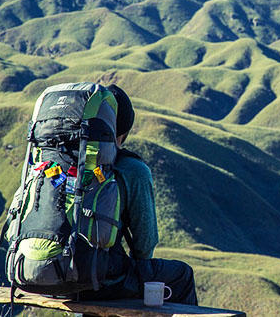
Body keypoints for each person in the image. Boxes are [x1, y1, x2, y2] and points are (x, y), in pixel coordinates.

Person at [78, 84, 198, 305]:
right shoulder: (132, 169)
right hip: (99, 281)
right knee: (182, 275)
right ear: (124, 129)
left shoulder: (62, 160)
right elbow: (145, 244)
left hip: (39, 272)